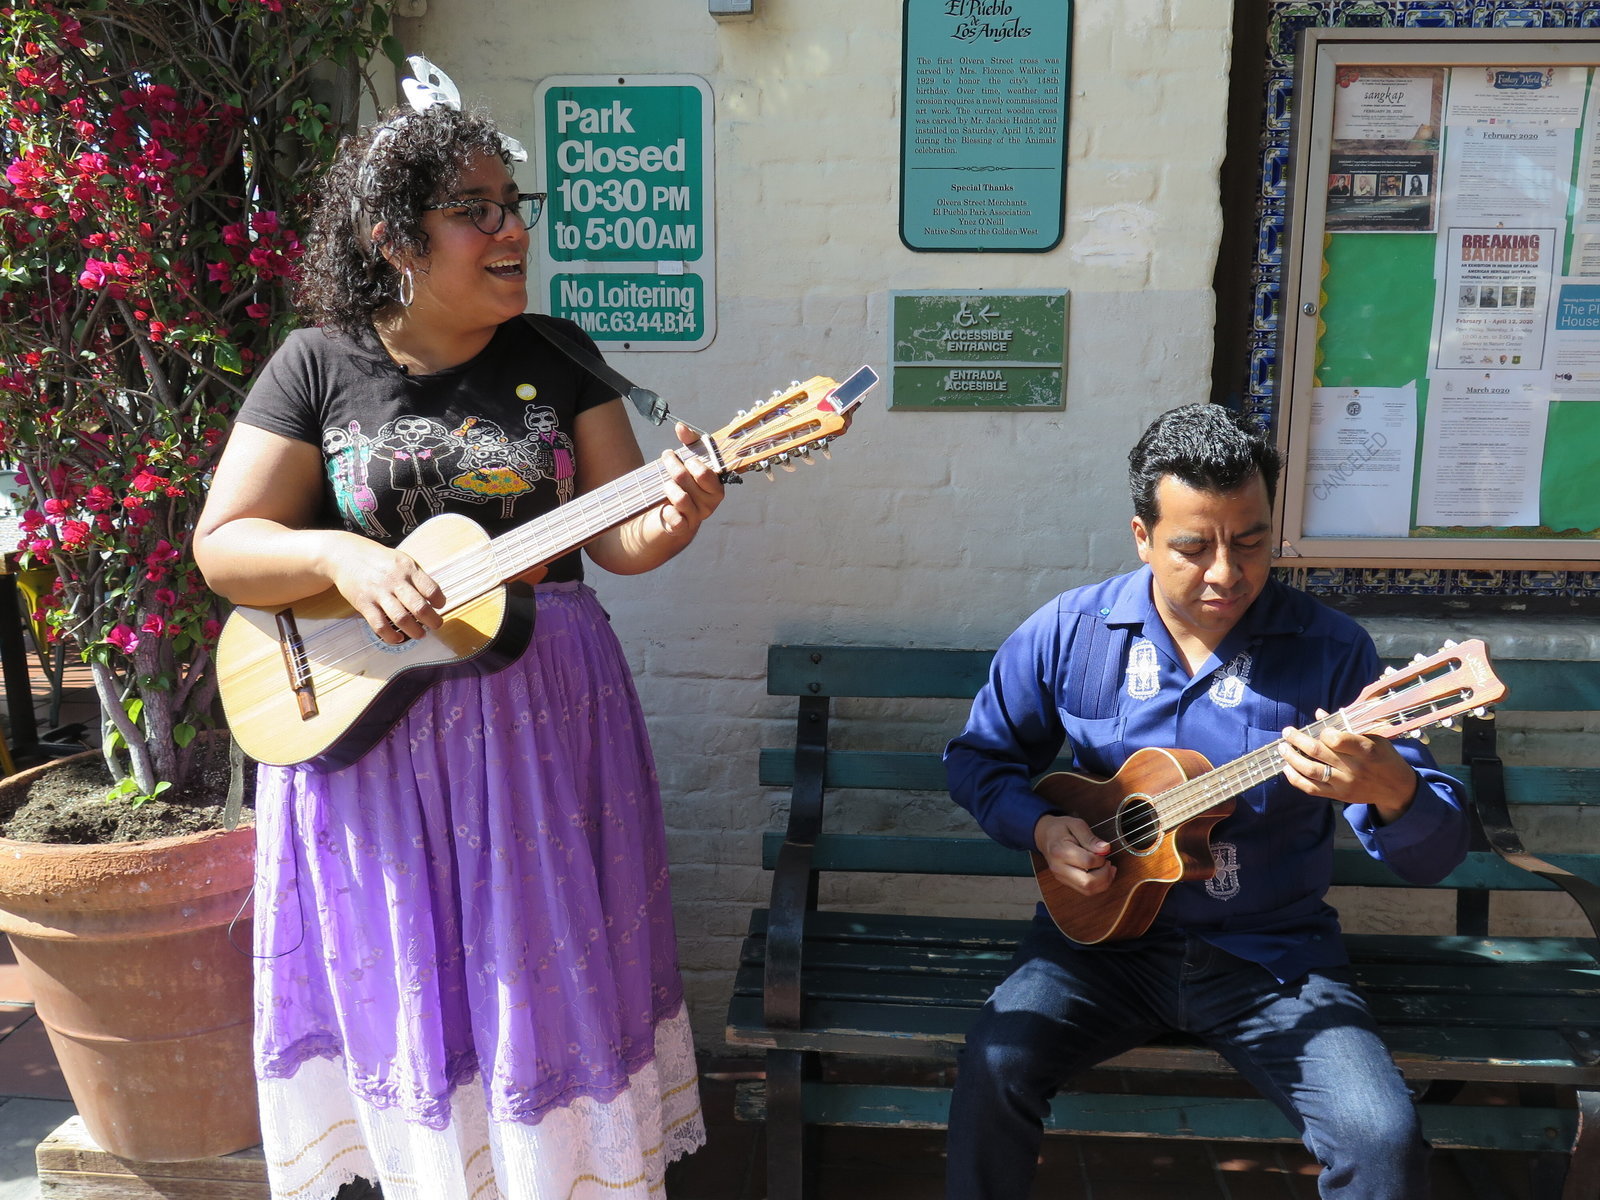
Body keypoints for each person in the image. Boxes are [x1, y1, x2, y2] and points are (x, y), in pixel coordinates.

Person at [193, 80, 718, 1200]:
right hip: (369, 729)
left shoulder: (559, 353)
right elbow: (226, 544)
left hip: (540, 714)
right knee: (410, 972)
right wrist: (343, 558)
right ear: (396, 238)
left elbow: (619, 539)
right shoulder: (318, 363)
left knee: (538, 970)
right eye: (476, 209)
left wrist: (678, 513)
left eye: (511, 201)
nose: (513, 227)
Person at [942, 403, 1468, 1199]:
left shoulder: (1330, 651)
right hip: (1098, 948)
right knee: (991, 1070)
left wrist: (1388, 785)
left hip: (1270, 957)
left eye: (1251, 541)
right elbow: (977, 759)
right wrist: (1045, 828)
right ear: (1142, 537)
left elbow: (1437, 852)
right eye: (1193, 546)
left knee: (1381, 1139)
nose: (1226, 572)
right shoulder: (1074, 631)